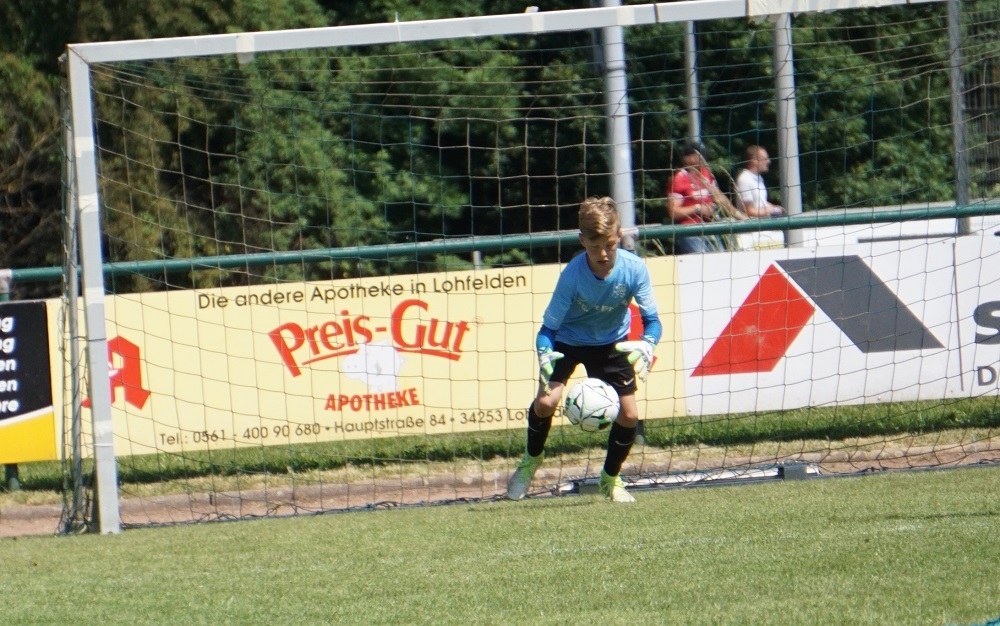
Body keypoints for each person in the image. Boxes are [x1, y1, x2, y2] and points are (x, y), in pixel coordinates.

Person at [506, 196, 663, 504]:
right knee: (546, 403)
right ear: (582, 241)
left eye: (609, 245)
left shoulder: (635, 269)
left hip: (611, 343)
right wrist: (544, 353)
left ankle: (610, 479)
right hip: (568, 340)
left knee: (629, 415)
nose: (603, 254)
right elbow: (547, 331)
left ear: (619, 235)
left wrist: (649, 342)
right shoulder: (572, 276)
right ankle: (530, 461)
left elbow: (653, 321)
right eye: (594, 247)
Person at [666, 141, 738, 254]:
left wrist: (737, 214)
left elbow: (719, 197)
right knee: (701, 256)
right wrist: (698, 208)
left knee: (721, 255)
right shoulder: (679, 179)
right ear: (689, 158)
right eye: (700, 156)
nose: (704, 159)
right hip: (690, 229)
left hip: (709, 226)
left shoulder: (706, 174)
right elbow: (673, 212)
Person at [736, 145, 784, 218]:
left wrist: (774, 208)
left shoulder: (759, 178)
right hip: (752, 223)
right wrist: (770, 211)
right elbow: (748, 211)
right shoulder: (745, 179)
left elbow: (761, 204)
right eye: (765, 159)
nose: (769, 162)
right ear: (754, 160)